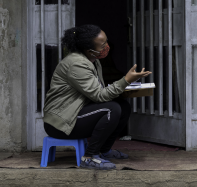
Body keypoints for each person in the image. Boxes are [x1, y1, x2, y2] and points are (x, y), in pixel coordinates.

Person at [43, 24, 151, 170]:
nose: (107, 46)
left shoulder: (93, 60)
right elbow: (100, 96)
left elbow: (96, 92)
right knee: (111, 109)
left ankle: (104, 151)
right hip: (60, 123)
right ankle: (89, 157)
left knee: (123, 106)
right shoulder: (76, 64)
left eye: (106, 41)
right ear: (89, 50)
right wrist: (126, 80)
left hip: (75, 112)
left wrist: (126, 87)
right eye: (102, 45)